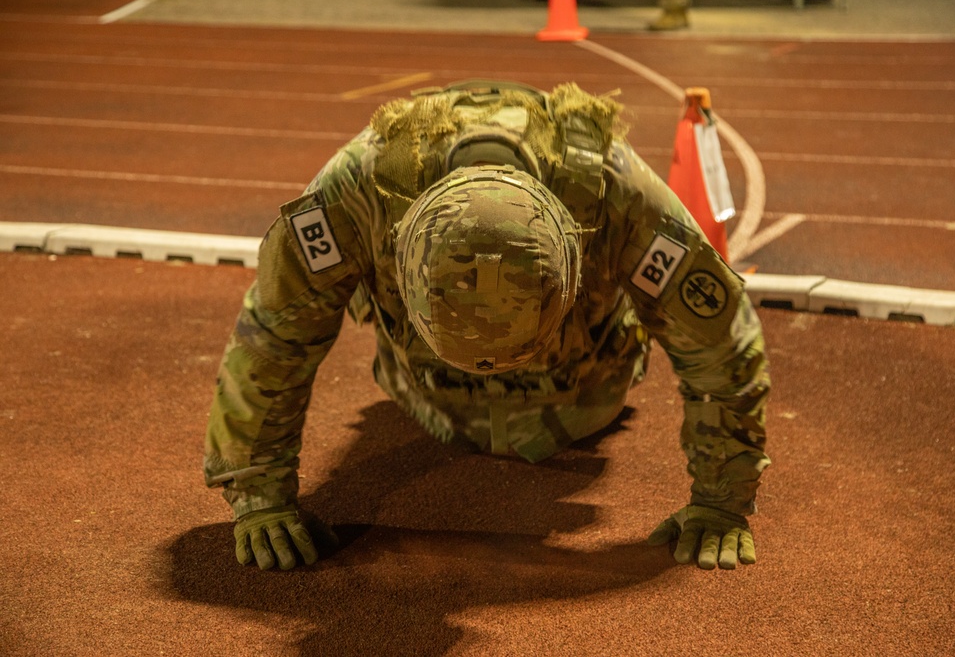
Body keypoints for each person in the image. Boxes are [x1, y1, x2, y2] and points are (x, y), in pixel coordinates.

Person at [204, 80, 770, 573]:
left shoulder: (612, 187)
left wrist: (720, 501)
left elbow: (718, 337)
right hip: (425, 400)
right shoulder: (363, 187)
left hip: (581, 401)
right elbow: (274, 332)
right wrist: (260, 495)